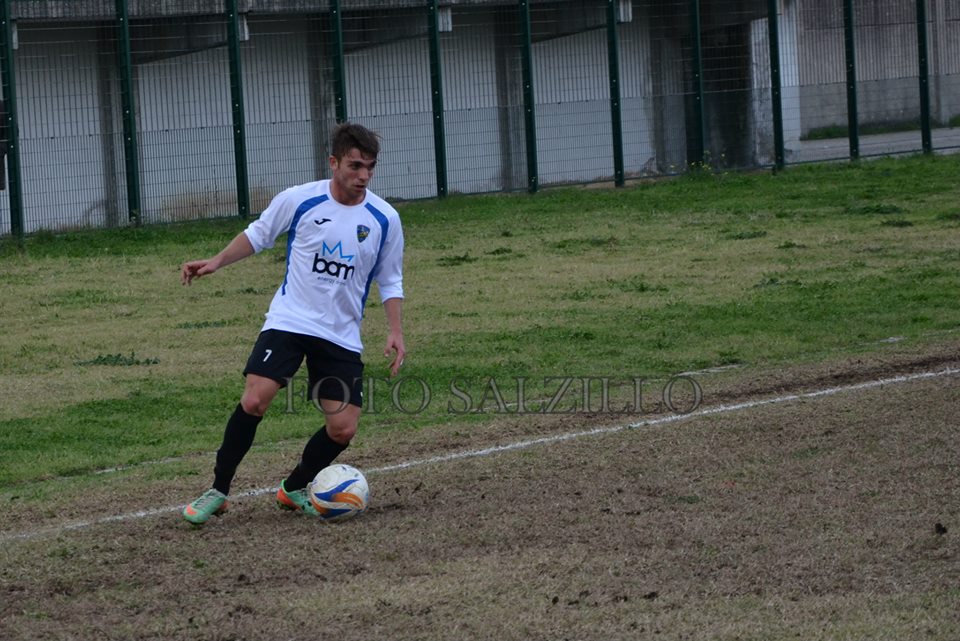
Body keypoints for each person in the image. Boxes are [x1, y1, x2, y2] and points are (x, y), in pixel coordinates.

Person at [180, 122, 405, 525]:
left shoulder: (384, 218)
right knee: (254, 399)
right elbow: (258, 234)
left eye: (370, 167)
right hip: (291, 319)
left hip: (340, 333)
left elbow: (390, 277)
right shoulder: (299, 200)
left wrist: (395, 330)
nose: (364, 176)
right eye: (355, 166)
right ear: (333, 162)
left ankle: (295, 486)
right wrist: (215, 261)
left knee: (342, 430)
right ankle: (219, 490)